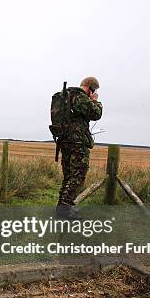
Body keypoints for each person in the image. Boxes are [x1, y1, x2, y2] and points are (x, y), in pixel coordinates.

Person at [56, 76, 103, 219]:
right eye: (93, 91)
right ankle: (65, 208)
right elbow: (96, 114)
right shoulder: (80, 97)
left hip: (64, 141)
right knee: (78, 174)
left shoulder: (65, 96)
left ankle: (62, 208)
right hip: (77, 142)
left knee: (69, 175)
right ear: (90, 89)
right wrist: (96, 101)